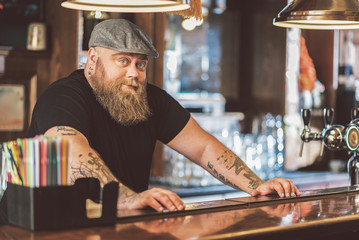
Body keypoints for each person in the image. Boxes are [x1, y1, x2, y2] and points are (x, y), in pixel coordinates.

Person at [27, 18, 300, 212]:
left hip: (118, 227)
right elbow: (72, 151)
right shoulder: (63, 96)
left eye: (140, 64)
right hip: (46, 228)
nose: (134, 73)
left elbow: (204, 147)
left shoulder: (149, 99)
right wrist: (126, 198)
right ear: (93, 59)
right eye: (122, 61)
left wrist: (257, 185)